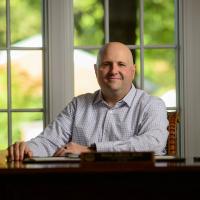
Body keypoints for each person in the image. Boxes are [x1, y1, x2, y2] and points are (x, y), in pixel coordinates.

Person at [7, 42, 169, 161]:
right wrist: (25, 149)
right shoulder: (78, 105)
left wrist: (91, 151)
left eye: (121, 64)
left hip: (136, 189)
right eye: (106, 64)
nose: (114, 70)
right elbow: (49, 141)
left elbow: (153, 144)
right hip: (81, 188)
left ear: (132, 71)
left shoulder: (152, 105)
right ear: (95, 70)